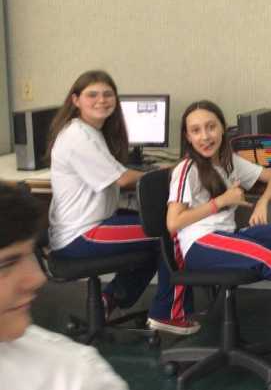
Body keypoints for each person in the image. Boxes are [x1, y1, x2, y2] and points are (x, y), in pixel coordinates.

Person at [167, 100, 271, 390]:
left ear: (222, 128)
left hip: (229, 236)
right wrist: (221, 201)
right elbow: (173, 222)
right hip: (201, 245)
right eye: (196, 130)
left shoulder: (228, 161)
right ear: (187, 137)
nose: (205, 136)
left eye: (211, 127)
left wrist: (263, 202)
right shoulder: (186, 169)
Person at [46, 69, 195, 334]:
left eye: (107, 94)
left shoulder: (90, 131)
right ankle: (167, 315)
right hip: (81, 234)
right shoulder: (78, 136)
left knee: (155, 226)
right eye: (92, 95)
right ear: (76, 100)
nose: (101, 100)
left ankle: (110, 298)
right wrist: (176, 173)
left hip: (91, 224)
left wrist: (166, 173)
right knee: (169, 231)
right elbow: (124, 179)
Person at [0, 184, 129, 389]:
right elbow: (123, 179)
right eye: (5, 264)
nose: (37, 278)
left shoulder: (72, 376)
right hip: (79, 238)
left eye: (30, 255)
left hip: (83, 232)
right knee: (156, 235)